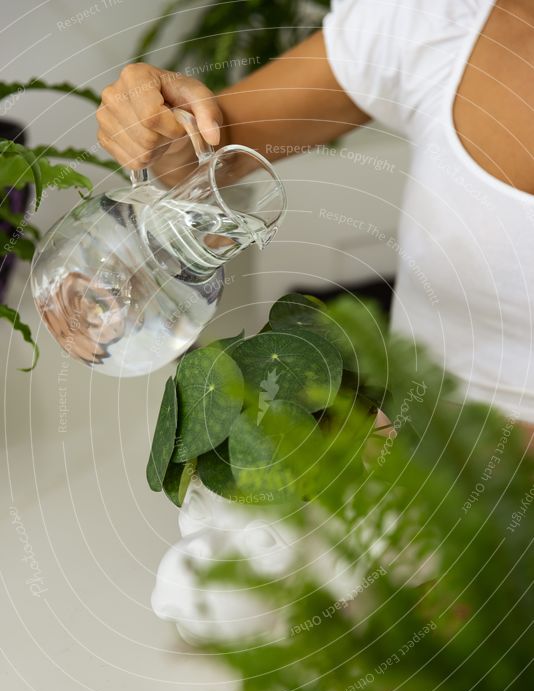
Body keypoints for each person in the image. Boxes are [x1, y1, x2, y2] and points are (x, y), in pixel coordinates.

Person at [97, 0, 534, 447]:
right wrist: (160, 119)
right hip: (404, 442)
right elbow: (203, 159)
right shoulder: (441, 18)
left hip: (442, 466)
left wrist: (470, 457)